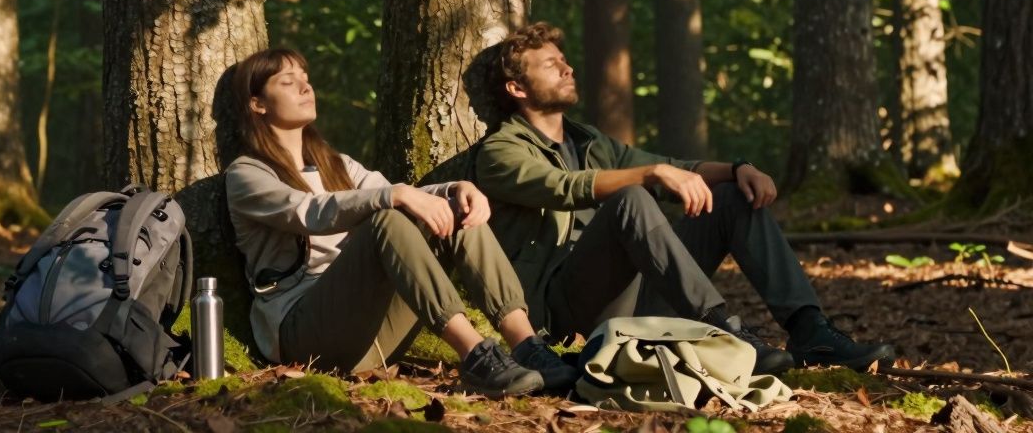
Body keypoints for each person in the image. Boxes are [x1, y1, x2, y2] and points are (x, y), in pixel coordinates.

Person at [473, 23, 895, 375]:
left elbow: (674, 165)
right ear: (517, 88)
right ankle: (723, 330)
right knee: (631, 197)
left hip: (640, 292)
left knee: (731, 196)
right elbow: (564, 188)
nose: (567, 69)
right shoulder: (501, 152)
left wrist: (737, 168)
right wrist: (650, 175)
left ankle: (810, 331)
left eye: (564, 61)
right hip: (571, 312)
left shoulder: (588, 141)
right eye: (551, 65)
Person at [225, 48, 580, 396]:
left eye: (306, 79)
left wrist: (457, 188)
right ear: (258, 103)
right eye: (289, 82)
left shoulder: (337, 164)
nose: (306, 88)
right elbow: (308, 212)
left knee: (452, 209)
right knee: (387, 219)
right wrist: (396, 195)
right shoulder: (247, 174)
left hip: (370, 342)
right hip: (303, 338)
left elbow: (403, 193)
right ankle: (475, 356)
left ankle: (526, 344)